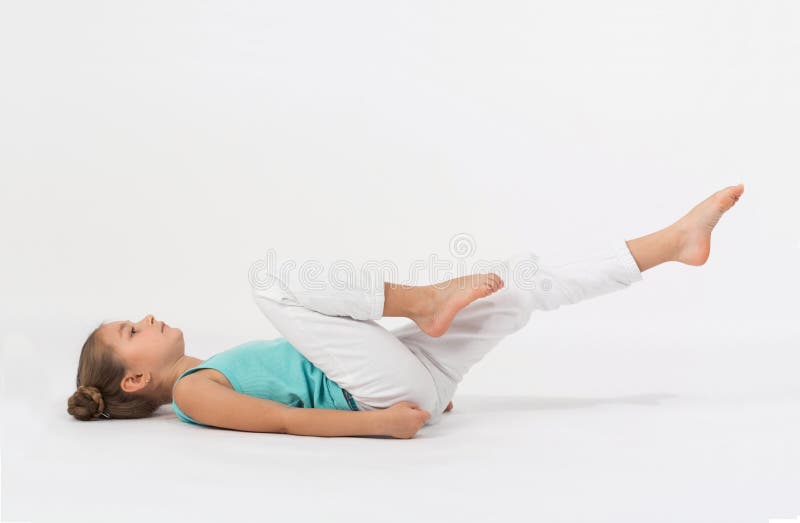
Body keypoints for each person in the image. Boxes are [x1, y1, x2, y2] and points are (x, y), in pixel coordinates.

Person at [67, 184, 745, 439]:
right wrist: (384, 426)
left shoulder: (209, 367)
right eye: (131, 330)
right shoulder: (193, 392)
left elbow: (316, 367)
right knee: (270, 282)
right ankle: (423, 301)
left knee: (514, 282)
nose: (146, 317)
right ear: (133, 380)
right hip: (386, 396)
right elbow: (283, 417)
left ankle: (670, 243)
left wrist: (415, 386)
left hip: (411, 374)